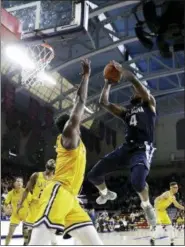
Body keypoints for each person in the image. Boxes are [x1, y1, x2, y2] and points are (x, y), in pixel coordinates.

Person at [29, 59, 103, 245]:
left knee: (96, 244)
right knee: (37, 244)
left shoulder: (78, 143)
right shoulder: (69, 135)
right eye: (76, 121)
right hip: (58, 191)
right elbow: (80, 102)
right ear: (69, 125)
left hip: (71, 199)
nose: (79, 122)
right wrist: (86, 77)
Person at [88, 60, 157, 228]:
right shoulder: (127, 112)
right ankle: (105, 193)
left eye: (137, 91)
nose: (133, 92)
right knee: (93, 175)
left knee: (138, 182)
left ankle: (146, 205)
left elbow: (137, 84)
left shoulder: (149, 104)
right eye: (133, 91)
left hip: (142, 148)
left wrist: (126, 74)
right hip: (126, 148)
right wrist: (107, 83)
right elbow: (104, 103)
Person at [17, 159, 56, 245]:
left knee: (43, 240)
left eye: (51, 169)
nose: (49, 171)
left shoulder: (55, 179)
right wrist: (20, 203)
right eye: (48, 168)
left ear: (53, 169)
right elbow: (27, 190)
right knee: (27, 239)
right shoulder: (36, 175)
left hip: (45, 209)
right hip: (34, 207)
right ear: (46, 166)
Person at [4, 177, 31, 245]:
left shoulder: (26, 192)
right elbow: (6, 203)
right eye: (17, 181)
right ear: (14, 183)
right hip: (15, 215)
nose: (19, 183)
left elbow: (32, 202)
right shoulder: (10, 193)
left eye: (21, 182)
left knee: (25, 234)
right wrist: (7, 208)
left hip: (26, 215)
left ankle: (26, 244)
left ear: (22, 184)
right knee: (10, 233)